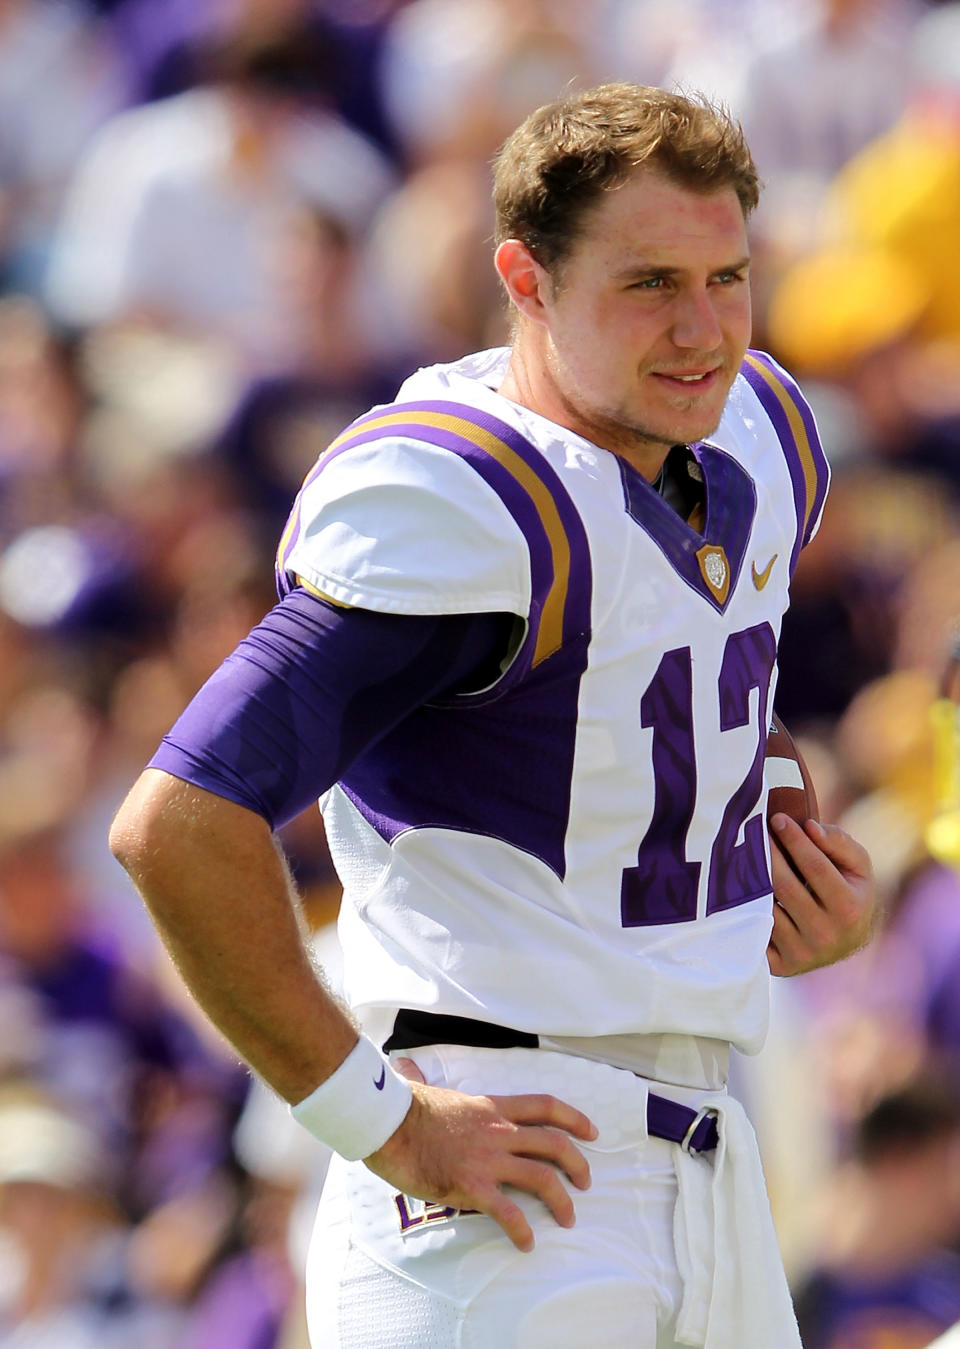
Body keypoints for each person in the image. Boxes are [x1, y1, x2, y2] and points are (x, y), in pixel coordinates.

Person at [108, 83, 875, 1348]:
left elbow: (676, 682)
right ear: (526, 277)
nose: (702, 330)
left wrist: (782, 842)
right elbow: (178, 819)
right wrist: (379, 1119)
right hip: (508, 1150)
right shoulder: (462, 495)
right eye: (649, 285)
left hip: (709, 1154)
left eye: (727, 276)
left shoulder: (757, 432)